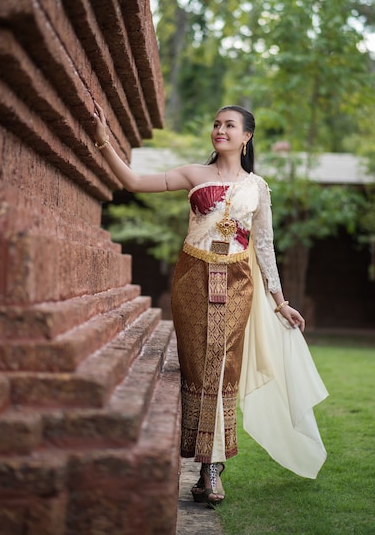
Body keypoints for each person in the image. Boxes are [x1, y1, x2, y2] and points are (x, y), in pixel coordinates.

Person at [92, 102, 328, 509]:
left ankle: (211, 468)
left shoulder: (258, 187)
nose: (220, 130)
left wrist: (280, 302)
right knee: (199, 367)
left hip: (238, 281)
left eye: (230, 125)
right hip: (192, 280)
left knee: (221, 368)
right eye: (217, 124)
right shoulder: (193, 175)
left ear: (246, 136)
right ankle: (203, 461)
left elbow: (265, 246)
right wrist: (101, 139)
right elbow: (132, 181)